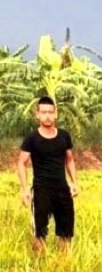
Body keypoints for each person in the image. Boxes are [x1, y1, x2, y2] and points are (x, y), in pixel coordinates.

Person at [16, 95, 80, 254]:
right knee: (39, 233)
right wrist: (24, 189)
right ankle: (40, 264)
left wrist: (74, 183)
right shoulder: (32, 138)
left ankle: (63, 264)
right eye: (44, 112)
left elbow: (69, 160)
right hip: (41, 190)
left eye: (50, 112)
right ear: (37, 114)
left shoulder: (64, 136)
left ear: (56, 114)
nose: (47, 116)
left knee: (66, 232)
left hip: (62, 189)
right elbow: (21, 163)